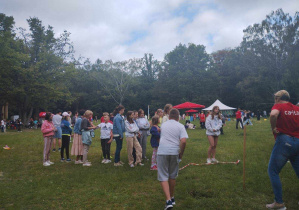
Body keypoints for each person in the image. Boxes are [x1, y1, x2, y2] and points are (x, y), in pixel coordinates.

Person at [266, 90, 299, 210]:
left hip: (284, 141)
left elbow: (273, 114)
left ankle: (279, 203)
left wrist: (274, 128)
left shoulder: (278, 105)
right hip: (298, 141)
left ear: (278, 98)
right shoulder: (296, 108)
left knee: (273, 171)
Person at [157, 108, 188, 209]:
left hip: (162, 151)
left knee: (163, 175)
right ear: (178, 117)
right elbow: (183, 141)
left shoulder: (163, 125)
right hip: (174, 152)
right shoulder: (180, 126)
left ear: (169, 116)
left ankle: (168, 200)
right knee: (172, 175)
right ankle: (172, 197)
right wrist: (181, 154)